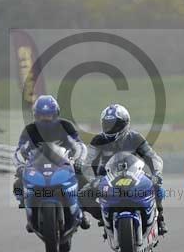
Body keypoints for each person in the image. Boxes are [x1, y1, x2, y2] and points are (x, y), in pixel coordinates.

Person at [83, 104, 167, 235]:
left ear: (124, 124)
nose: (110, 128)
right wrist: (92, 180)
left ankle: (160, 219)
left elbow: (154, 158)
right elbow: (87, 164)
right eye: (107, 124)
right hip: (106, 178)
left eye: (114, 125)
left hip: (135, 175)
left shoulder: (135, 138)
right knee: (82, 196)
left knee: (157, 188)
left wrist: (157, 174)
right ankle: (104, 218)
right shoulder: (98, 140)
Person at [13, 95, 91, 231]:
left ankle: (82, 211)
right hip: (37, 167)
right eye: (42, 116)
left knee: (83, 181)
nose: (46, 119)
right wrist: (20, 165)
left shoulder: (65, 126)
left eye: (49, 115)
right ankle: (29, 208)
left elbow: (78, 145)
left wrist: (79, 161)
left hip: (62, 165)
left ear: (56, 114)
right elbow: (20, 151)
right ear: (36, 115)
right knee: (18, 184)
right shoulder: (30, 130)